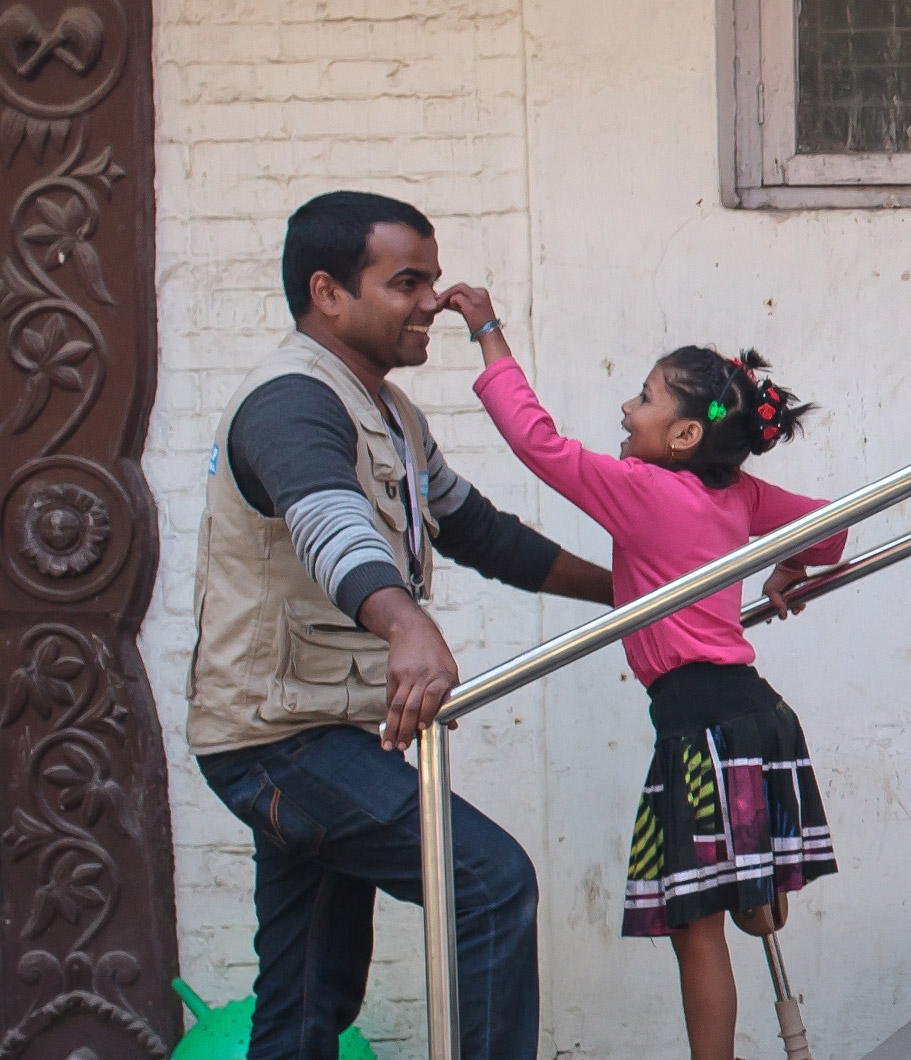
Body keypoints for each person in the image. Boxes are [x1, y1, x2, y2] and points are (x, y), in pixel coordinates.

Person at [190, 191, 614, 1060]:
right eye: (407, 281)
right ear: (329, 292)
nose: (433, 301)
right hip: (280, 739)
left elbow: (478, 532)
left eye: (433, 277)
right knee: (490, 883)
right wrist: (404, 623)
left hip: (323, 732)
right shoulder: (290, 402)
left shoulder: (390, 414)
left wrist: (626, 588)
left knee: (310, 990)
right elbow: (326, 518)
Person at [456, 296, 846, 1060]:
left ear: (684, 434)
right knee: (723, 909)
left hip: (698, 728)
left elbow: (537, 444)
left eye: (643, 398)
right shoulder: (737, 495)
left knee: (689, 926)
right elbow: (832, 523)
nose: (627, 409)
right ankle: (758, 888)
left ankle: (747, 909)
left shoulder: (642, 490)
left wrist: (487, 333)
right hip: (755, 719)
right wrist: (787, 567)